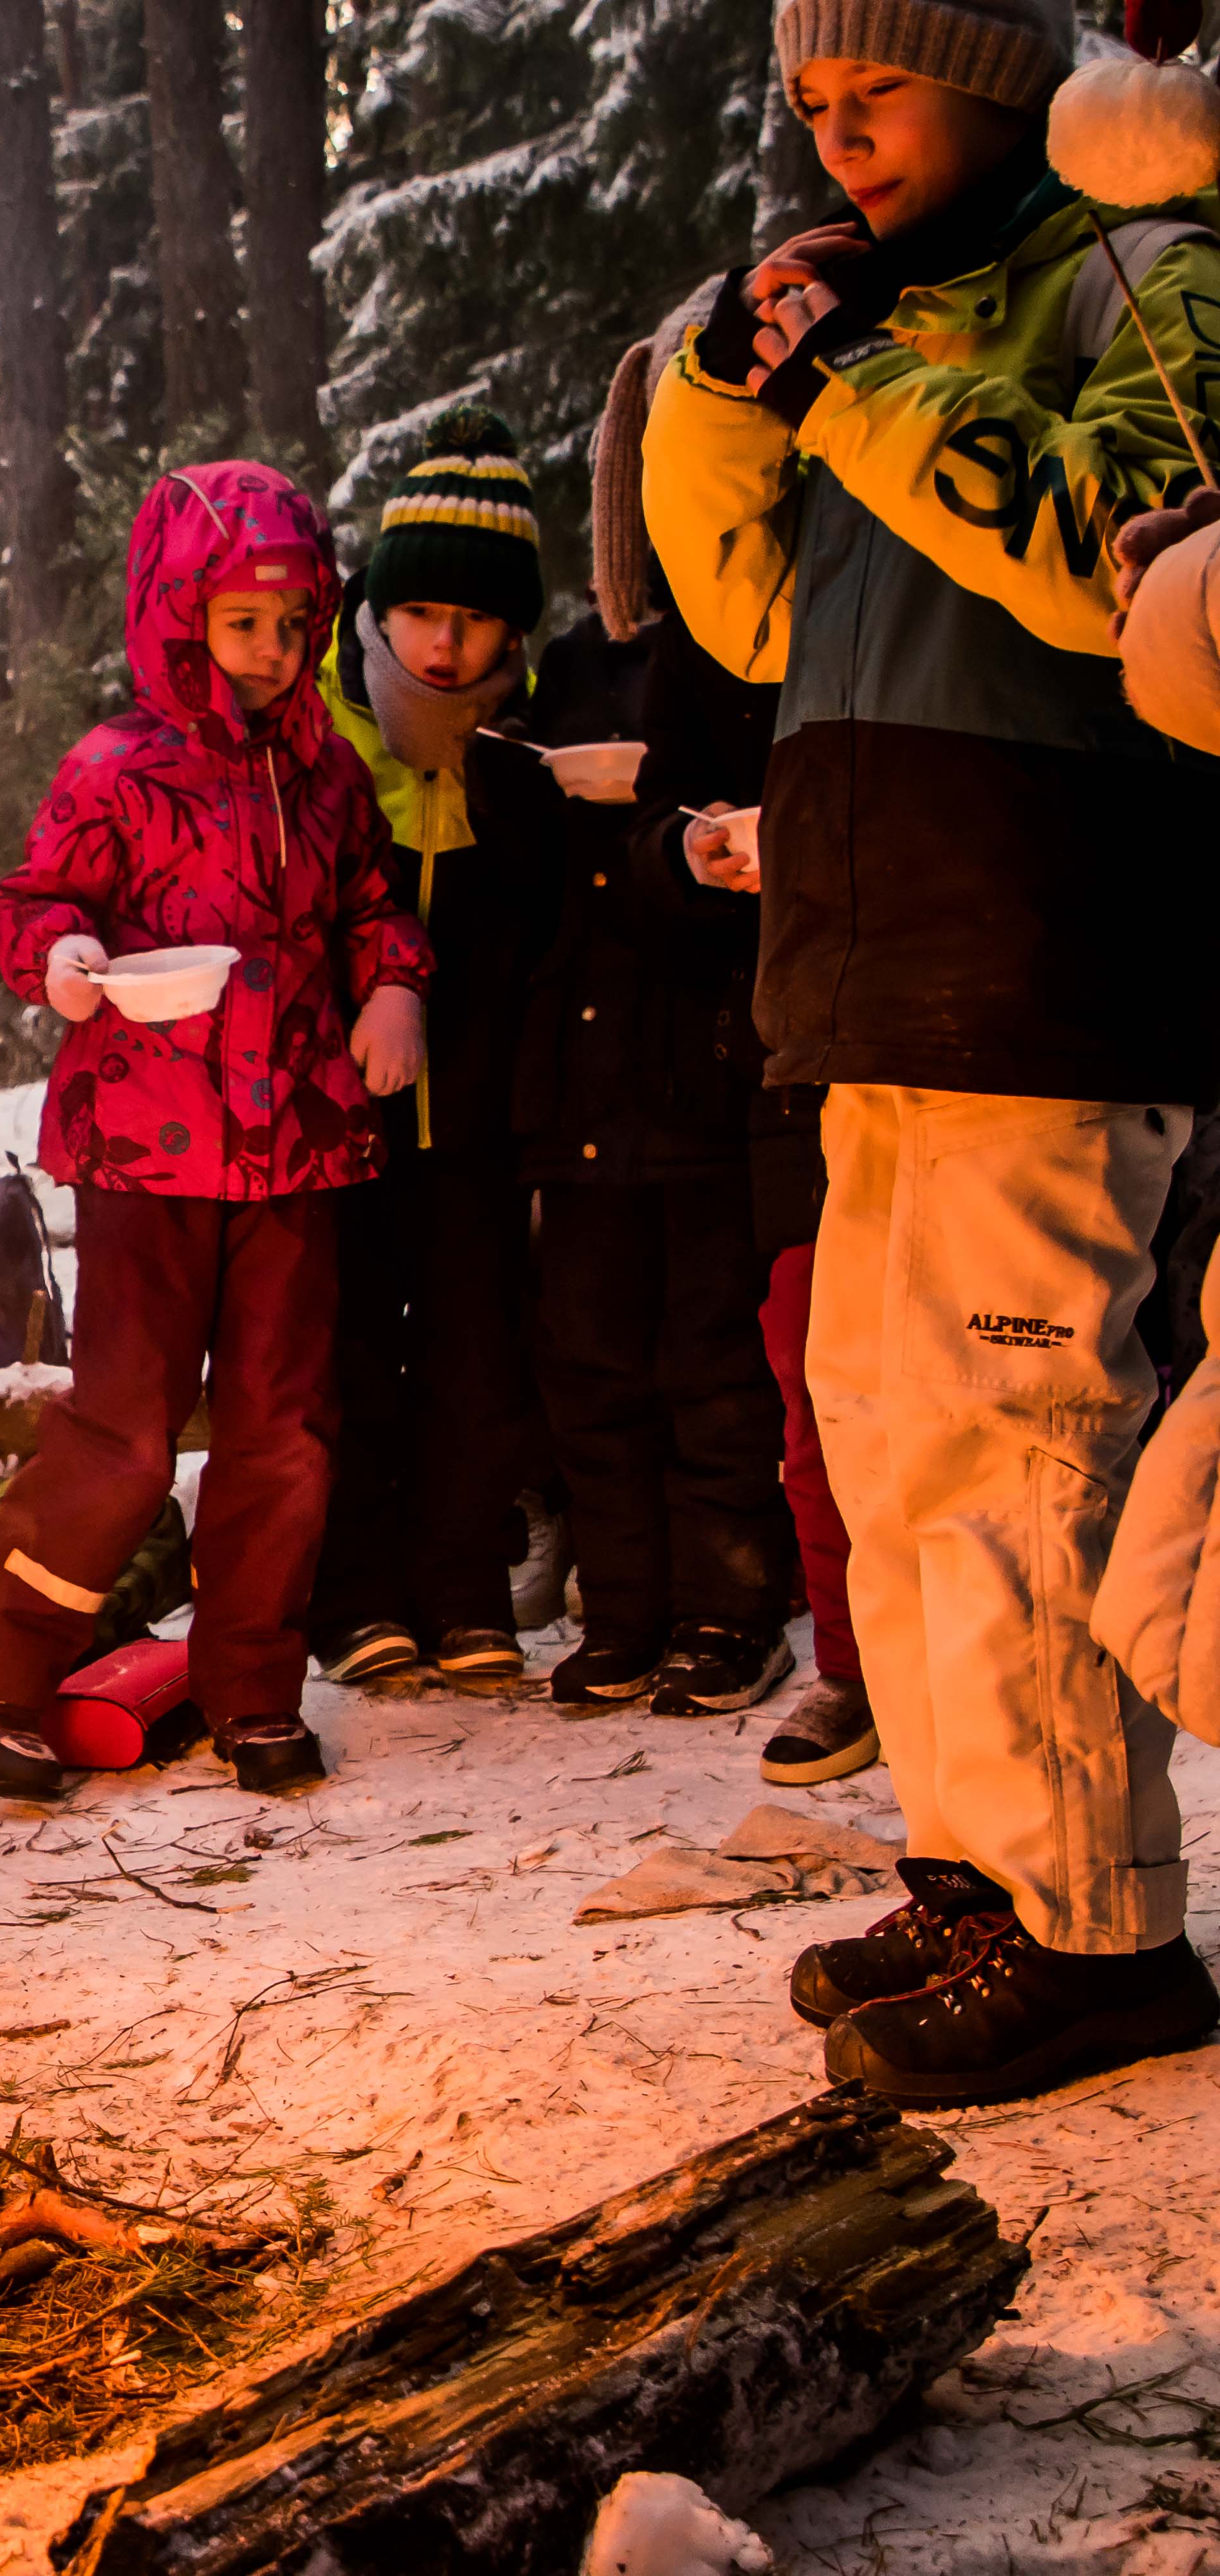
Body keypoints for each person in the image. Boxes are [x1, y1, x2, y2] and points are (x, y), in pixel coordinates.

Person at [645, 0, 1220, 2105]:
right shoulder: (908, 317)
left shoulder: (1156, 276)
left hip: (1058, 967)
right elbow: (744, 614)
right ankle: (987, 1871)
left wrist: (855, 374)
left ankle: (1100, 1928)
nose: (840, 137)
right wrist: (733, 376)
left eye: (873, 93)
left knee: (1019, 1448)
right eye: (810, 106)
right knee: (895, 1450)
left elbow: (1112, 572)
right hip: (886, 973)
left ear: (996, 77)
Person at [0, 462, 429, 1802]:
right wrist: (70, 956)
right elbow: (34, 904)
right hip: (147, 1147)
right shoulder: (116, 766)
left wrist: (393, 984)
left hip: (296, 1149)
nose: (273, 651)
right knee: (126, 1431)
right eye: (242, 623)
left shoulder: (326, 772)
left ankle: (252, 1682)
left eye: (293, 622)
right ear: (179, 617)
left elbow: (373, 905)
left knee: (283, 1428)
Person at [513, 334, 800, 1726]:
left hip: (706, 1074)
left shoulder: (760, 653)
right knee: (591, 1367)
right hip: (577, 1083)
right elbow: (524, 873)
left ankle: (726, 1611)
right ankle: (621, 1611)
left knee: (712, 1365)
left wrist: (677, 838)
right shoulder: (572, 665)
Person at [305, 407, 567, 1692]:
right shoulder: (325, 741)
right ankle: (355, 1594)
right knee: (349, 1353)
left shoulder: (531, 755)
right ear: (381, 608)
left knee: (477, 1351)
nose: (447, 644)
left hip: (478, 1122)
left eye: (475, 620)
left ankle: (465, 1585)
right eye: (424, 615)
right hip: (338, 1123)